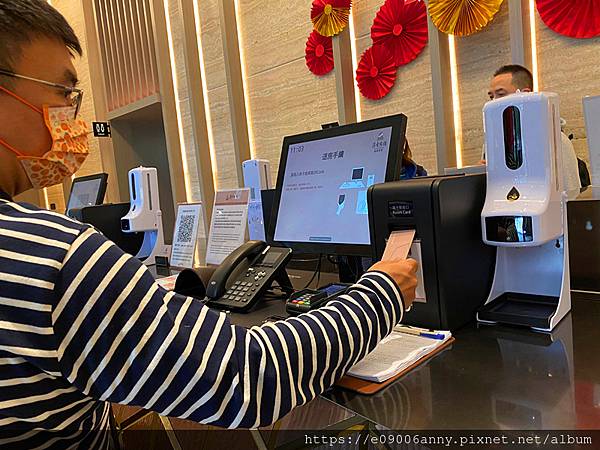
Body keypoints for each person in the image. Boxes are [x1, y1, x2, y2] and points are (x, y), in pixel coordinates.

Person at [0, 1, 418, 448]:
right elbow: (249, 376)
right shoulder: (55, 259)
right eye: (63, 93)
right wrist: (383, 293)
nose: (72, 114)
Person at [485, 65, 582, 193]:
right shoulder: (493, 141)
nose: (494, 102)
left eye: (501, 94)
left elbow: (570, 194)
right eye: (491, 97)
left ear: (525, 94)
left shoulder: (556, 140)